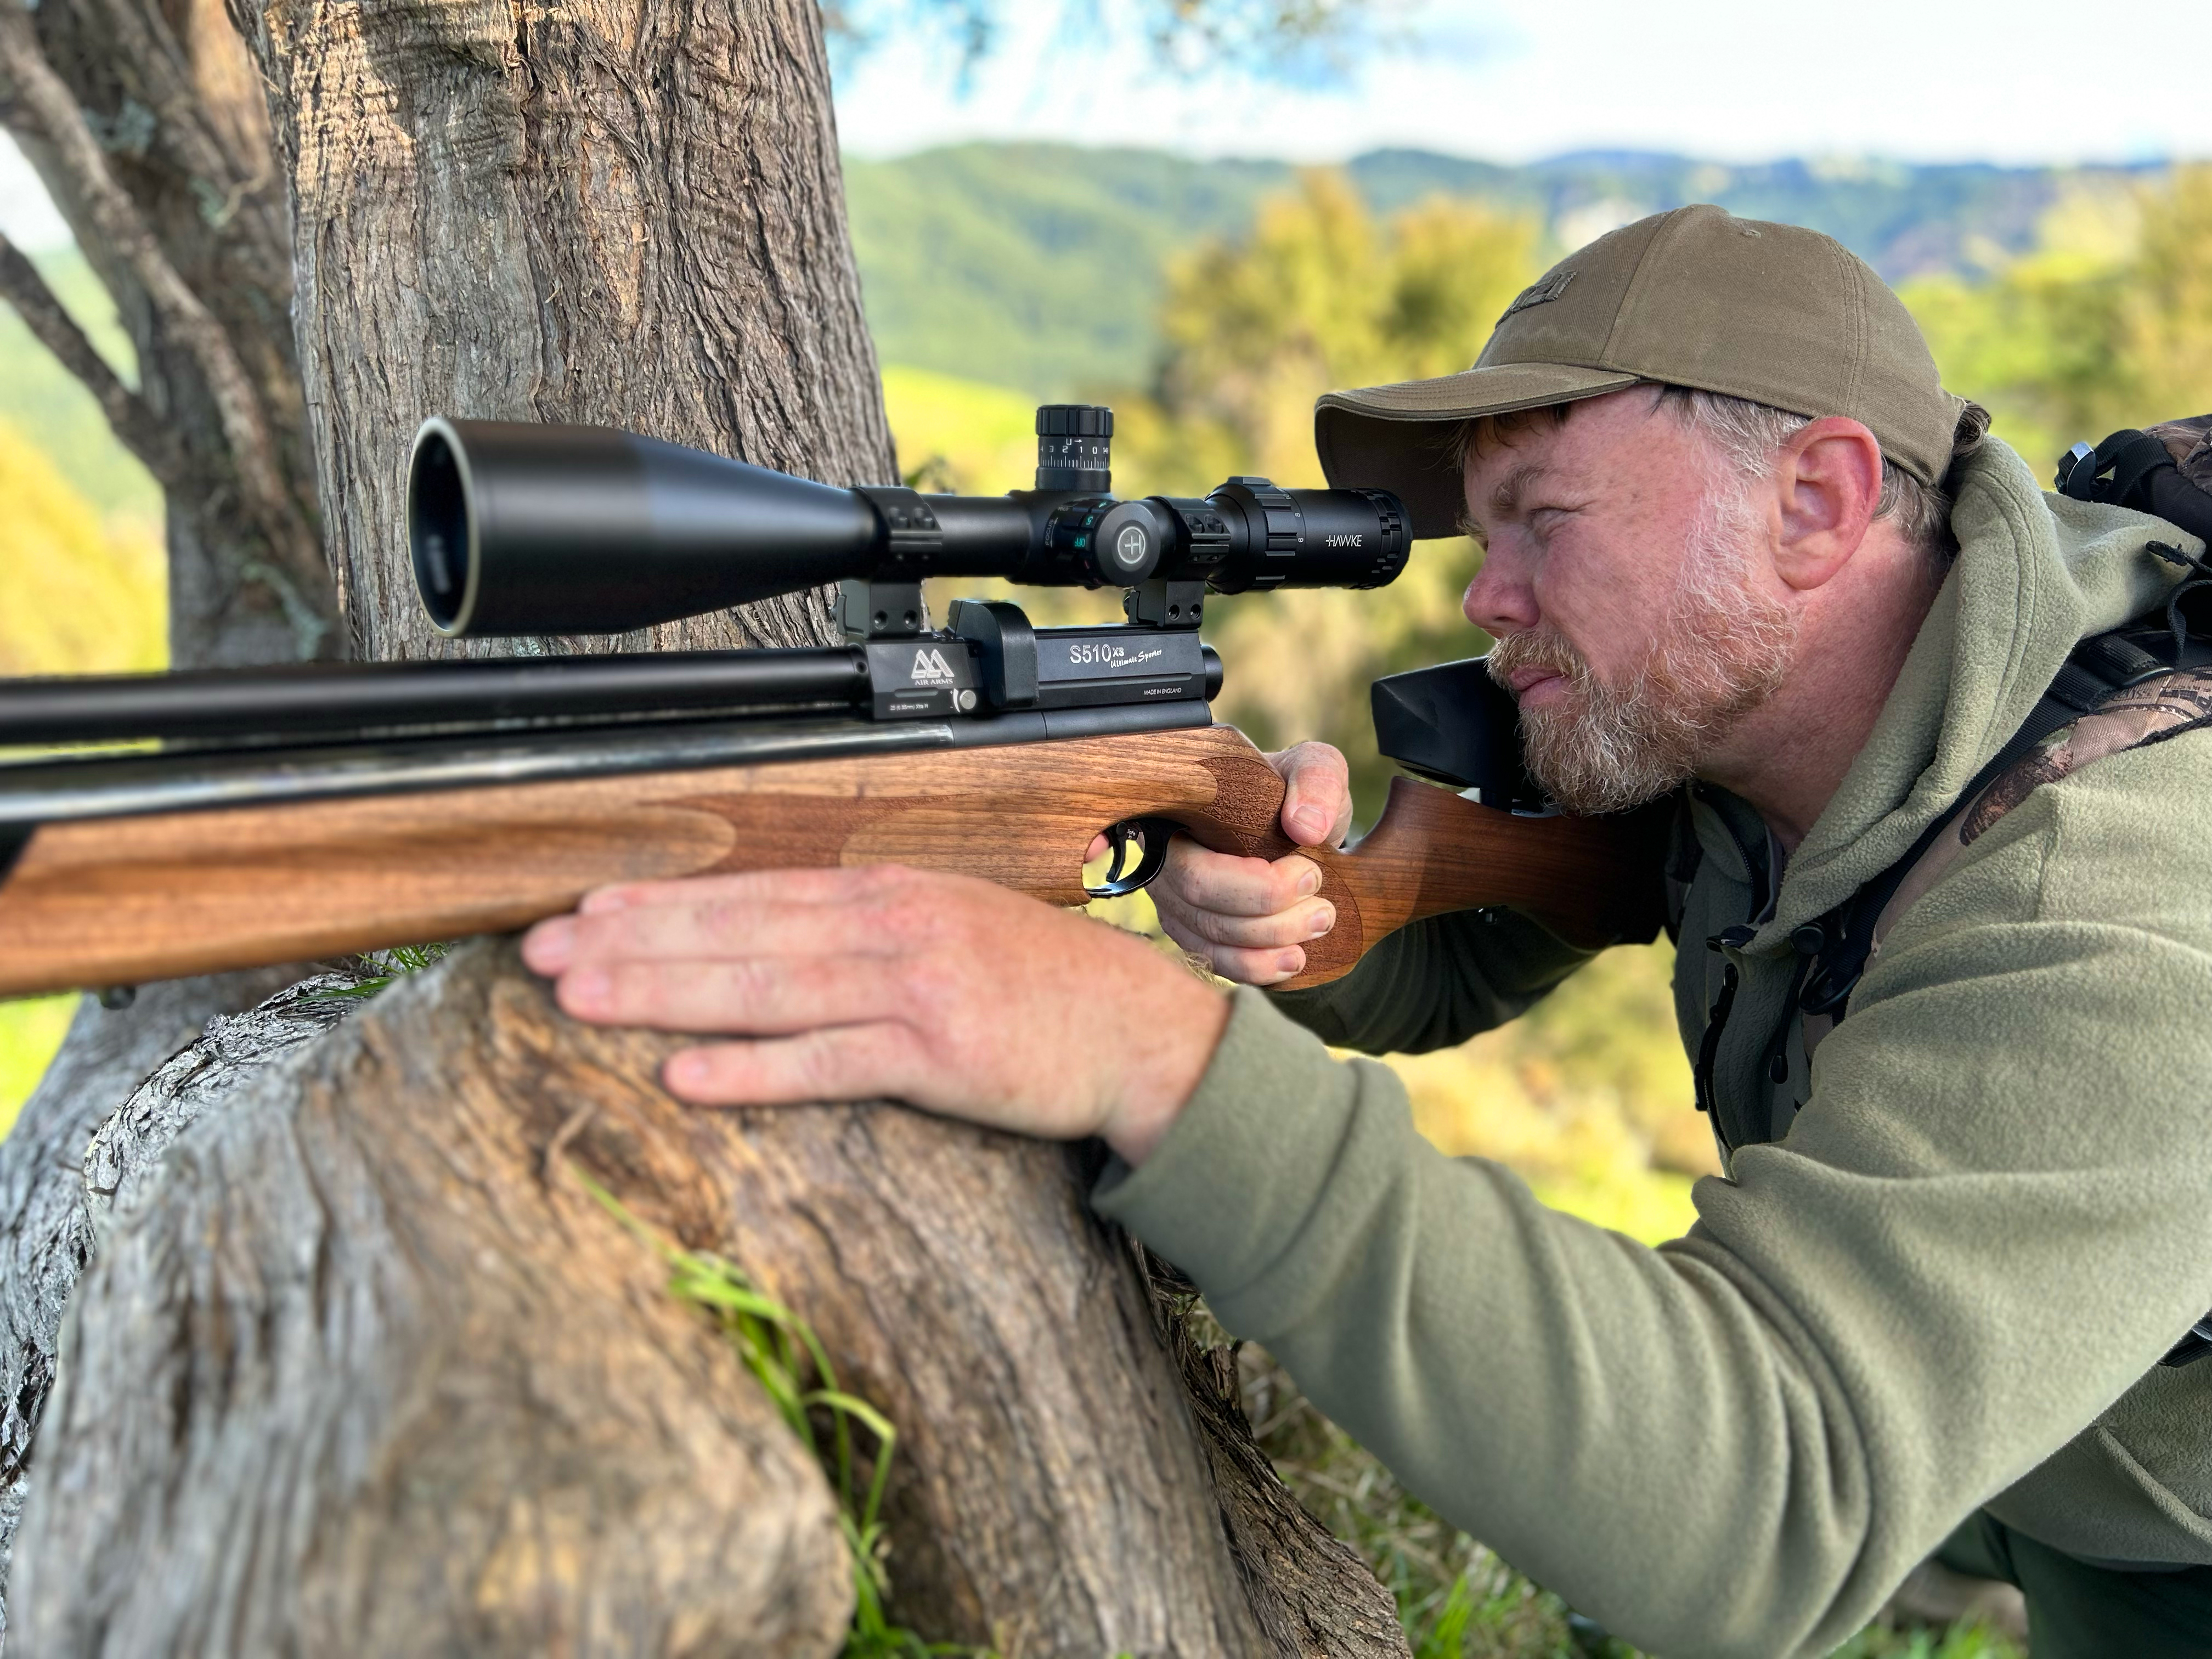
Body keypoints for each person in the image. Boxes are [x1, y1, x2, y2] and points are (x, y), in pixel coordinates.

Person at [517, 206, 2212, 1657]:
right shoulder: (1763, 714)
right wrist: (1300, 908)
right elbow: (1483, 933)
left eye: (1547, 520)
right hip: (2081, 1482)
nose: (1485, 594)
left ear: (1820, 504)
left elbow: (1765, 1507)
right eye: (1487, 537)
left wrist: (1156, 1053)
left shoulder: (2110, 889)